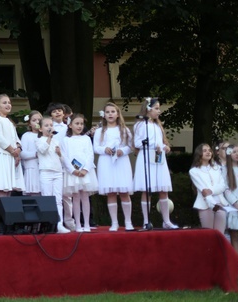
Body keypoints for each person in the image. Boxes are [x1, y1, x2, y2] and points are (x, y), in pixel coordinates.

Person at [133, 98, 178, 229]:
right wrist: (154, 145)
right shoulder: (141, 125)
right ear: (148, 109)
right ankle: (146, 221)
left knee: (163, 189)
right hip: (147, 158)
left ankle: (166, 221)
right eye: (156, 108)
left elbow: (161, 141)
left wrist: (165, 146)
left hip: (158, 159)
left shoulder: (158, 125)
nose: (159, 111)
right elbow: (137, 143)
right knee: (147, 189)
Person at [93, 102, 135, 231]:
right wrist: (104, 149)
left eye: (112, 111)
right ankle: (114, 222)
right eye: (107, 112)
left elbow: (130, 146)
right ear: (104, 115)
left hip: (121, 162)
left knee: (124, 191)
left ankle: (128, 221)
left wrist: (123, 151)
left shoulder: (124, 130)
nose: (110, 114)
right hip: (106, 162)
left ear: (117, 114)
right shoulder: (100, 131)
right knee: (111, 192)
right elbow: (95, 147)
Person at [61, 114, 98, 232]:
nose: (80, 126)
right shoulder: (66, 140)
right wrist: (73, 170)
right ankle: (77, 224)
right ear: (70, 125)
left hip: (85, 172)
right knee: (75, 197)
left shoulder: (86, 139)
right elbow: (64, 156)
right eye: (77, 123)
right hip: (73, 172)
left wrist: (85, 169)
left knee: (85, 196)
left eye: (81, 124)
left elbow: (90, 155)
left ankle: (86, 224)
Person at [0, 94, 25, 198]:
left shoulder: (9, 121)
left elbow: (16, 138)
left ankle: (6, 213)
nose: (8, 104)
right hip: (0, 155)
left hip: (10, 156)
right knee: (2, 188)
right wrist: (13, 151)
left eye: (9, 103)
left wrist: (18, 149)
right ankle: (0, 213)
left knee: (8, 189)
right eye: (4, 102)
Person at [36, 116, 71, 234]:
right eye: (46, 126)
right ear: (40, 129)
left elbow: (62, 159)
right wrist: (49, 138)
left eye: (51, 125)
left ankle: (59, 224)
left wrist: (60, 153)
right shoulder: (39, 140)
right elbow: (42, 150)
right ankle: (48, 224)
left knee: (58, 199)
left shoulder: (56, 141)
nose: (49, 127)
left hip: (57, 172)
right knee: (47, 198)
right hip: (45, 172)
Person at [189, 143, 232, 235]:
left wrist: (211, 191)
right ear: (199, 154)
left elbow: (222, 186)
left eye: (209, 150)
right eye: (204, 151)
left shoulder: (217, 168)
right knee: (209, 235)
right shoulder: (194, 171)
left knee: (220, 235)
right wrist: (213, 204)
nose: (208, 152)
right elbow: (203, 190)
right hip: (205, 205)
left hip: (221, 204)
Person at [46, 102, 75, 231]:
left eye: (59, 111)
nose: (57, 112)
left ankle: (69, 220)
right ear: (50, 115)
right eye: (54, 111)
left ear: (64, 113)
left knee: (67, 194)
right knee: (54, 194)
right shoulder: (48, 128)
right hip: (53, 162)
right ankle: (55, 221)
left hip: (66, 162)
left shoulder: (68, 127)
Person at [223, 144, 238, 275]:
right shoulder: (225, 170)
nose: (237, 154)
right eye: (234, 152)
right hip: (235, 208)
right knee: (234, 237)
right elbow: (226, 191)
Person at [20, 111, 42, 196]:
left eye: (39, 120)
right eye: (34, 120)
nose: (37, 122)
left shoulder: (46, 136)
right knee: (34, 193)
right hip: (32, 169)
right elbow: (22, 154)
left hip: (43, 168)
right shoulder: (26, 135)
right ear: (29, 124)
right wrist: (35, 154)